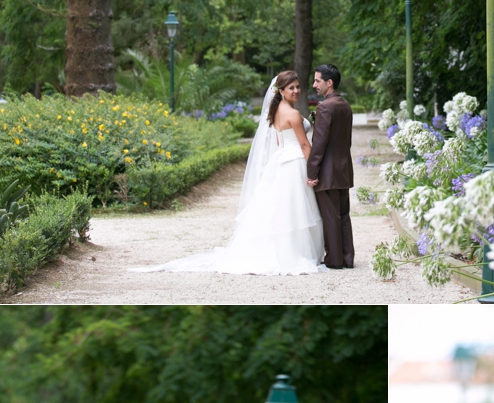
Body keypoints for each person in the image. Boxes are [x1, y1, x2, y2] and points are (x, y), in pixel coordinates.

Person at [136, 70, 325, 276]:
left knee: (284, 210)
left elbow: (279, 141)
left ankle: (287, 250)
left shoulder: (276, 111)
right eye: (291, 88)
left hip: (282, 161)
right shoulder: (293, 114)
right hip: (294, 162)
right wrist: (313, 171)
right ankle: (295, 253)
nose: (296, 90)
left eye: (298, 86)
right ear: (280, 91)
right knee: (294, 210)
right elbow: (305, 145)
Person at [306, 64, 355, 269]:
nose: (314, 84)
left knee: (331, 217)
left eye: (317, 80)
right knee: (343, 215)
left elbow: (319, 144)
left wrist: (311, 172)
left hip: (328, 171)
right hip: (344, 169)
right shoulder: (344, 104)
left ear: (329, 82)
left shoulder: (325, 107)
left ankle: (334, 260)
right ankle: (347, 258)